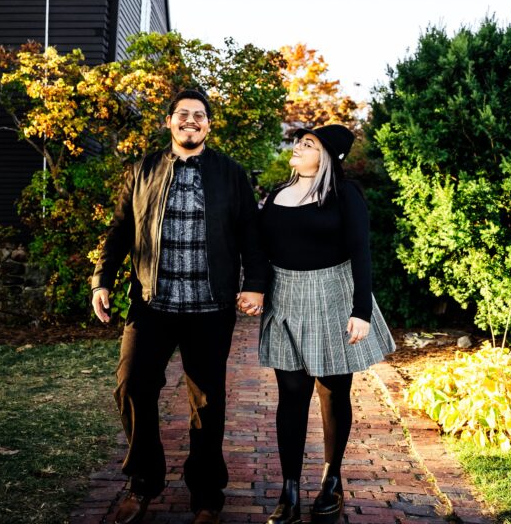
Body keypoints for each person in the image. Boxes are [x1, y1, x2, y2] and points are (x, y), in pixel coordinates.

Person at [91, 88, 267, 524]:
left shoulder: (231, 174)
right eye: (183, 114)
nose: (191, 121)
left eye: (200, 116)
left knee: (206, 402)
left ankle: (206, 496)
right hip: (152, 303)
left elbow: (251, 234)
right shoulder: (143, 169)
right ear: (169, 122)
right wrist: (102, 280)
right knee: (132, 386)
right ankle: (143, 484)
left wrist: (256, 284)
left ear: (208, 125)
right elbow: (119, 231)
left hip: (210, 308)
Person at [246, 124, 395, 524]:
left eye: (307, 144)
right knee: (291, 395)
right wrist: (255, 287)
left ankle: (331, 480)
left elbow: (362, 253)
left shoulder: (345, 195)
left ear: (327, 156)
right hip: (286, 298)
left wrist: (360, 310)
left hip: (333, 296)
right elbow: (260, 247)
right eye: (299, 141)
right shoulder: (278, 193)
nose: (298, 147)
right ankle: (289, 491)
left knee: (332, 391)